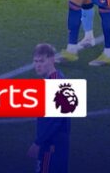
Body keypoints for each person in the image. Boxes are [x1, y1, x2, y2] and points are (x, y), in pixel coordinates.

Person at [27, 43, 70, 173]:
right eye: (35, 61)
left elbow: (54, 120)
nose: (38, 65)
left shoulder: (55, 83)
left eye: (42, 61)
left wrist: (38, 143)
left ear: (52, 60)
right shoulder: (56, 79)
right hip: (55, 145)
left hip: (51, 145)